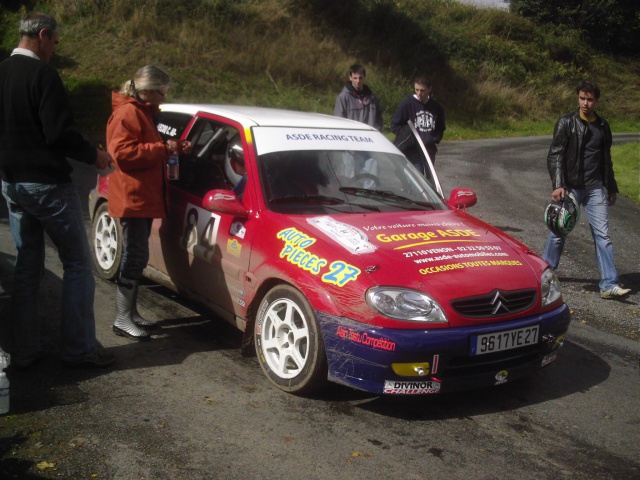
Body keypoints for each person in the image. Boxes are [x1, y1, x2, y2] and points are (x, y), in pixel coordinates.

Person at [0, 12, 116, 368]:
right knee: (79, 263)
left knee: (27, 264)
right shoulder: (43, 75)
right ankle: (78, 350)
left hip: (10, 183)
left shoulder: (1, 71)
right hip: (46, 184)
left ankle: (24, 349)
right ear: (43, 36)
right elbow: (58, 134)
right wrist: (92, 155)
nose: (54, 50)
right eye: (54, 43)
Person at [106, 66, 190, 341]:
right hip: (133, 197)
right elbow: (123, 154)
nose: (164, 96)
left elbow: (139, 147)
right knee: (133, 256)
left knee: (138, 256)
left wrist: (170, 147)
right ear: (148, 90)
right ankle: (121, 318)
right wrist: (165, 149)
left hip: (140, 195)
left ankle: (129, 312)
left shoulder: (140, 111)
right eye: (162, 90)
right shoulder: (128, 112)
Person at [542, 80, 630, 300]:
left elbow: (606, 159)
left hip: (595, 188)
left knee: (603, 235)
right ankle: (544, 273)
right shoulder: (566, 122)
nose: (585, 103)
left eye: (590, 99)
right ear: (578, 98)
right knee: (558, 231)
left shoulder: (602, 126)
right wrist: (558, 184)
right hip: (570, 187)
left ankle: (609, 284)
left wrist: (611, 187)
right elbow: (555, 155)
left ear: (596, 100)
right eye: (582, 98)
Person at [390, 74, 446, 174]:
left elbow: (441, 126)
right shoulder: (407, 103)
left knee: (429, 179)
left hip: (429, 149)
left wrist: (435, 138)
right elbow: (395, 125)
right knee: (417, 176)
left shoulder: (436, 106)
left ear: (429, 89)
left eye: (422, 90)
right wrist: (407, 136)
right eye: (416, 90)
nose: (419, 93)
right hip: (413, 149)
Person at [334, 64, 383, 131]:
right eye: (355, 78)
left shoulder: (372, 98)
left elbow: (379, 119)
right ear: (350, 77)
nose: (358, 81)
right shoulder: (343, 98)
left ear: (364, 77)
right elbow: (338, 122)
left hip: (370, 138)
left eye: (360, 78)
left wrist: (377, 130)